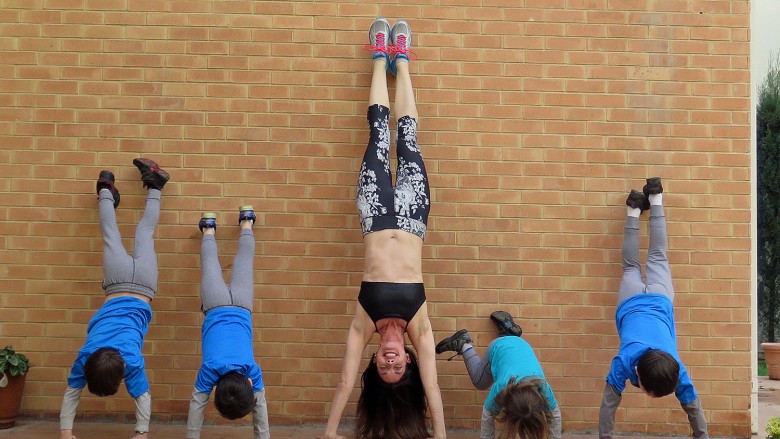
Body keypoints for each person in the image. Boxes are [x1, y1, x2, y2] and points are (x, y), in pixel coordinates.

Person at [322, 17, 446, 439]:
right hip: (413, 215)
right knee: (407, 137)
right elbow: (432, 388)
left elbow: (342, 382)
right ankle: (403, 62)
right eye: (398, 367)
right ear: (407, 360)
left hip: (374, 213)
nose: (391, 362)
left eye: (383, 367)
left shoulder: (364, 321)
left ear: (374, 361)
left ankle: (380, 57)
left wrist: (329, 433)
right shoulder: (420, 325)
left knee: (379, 133)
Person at [60, 158, 170, 439]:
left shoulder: (131, 361)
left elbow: (142, 397)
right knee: (110, 234)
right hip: (117, 281)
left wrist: (142, 433)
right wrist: (65, 431)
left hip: (145, 285)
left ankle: (155, 185)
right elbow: (71, 393)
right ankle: (106, 188)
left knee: (145, 233)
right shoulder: (85, 356)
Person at [599, 178, 708, 439]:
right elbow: (608, 405)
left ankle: (655, 198)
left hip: (659, 298)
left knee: (658, 254)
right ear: (637, 373)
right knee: (630, 266)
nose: (650, 396)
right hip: (631, 299)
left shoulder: (675, 366)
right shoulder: (624, 361)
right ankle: (634, 209)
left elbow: (694, 407)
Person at [186, 207, 269, 439]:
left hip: (242, 305)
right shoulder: (209, 370)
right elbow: (196, 404)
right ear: (215, 389)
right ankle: (209, 227)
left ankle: (246, 221)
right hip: (214, 304)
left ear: (249, 383)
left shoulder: (251, 370)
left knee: (245, 260)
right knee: (210, 263)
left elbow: (260, 407)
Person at [436, 311, 562, 439]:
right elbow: (488, 414)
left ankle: (508, 330)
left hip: (519, 344)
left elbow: (555, 416)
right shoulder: (501, 387)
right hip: (498, 347)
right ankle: (463, 343)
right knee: (479, 382)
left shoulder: (542, 387)